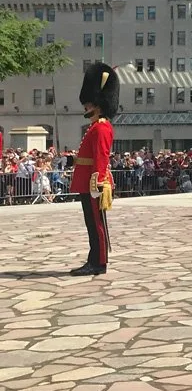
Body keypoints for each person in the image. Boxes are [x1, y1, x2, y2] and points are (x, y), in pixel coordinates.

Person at [70, 62, 119, 276]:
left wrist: (97, 182)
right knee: (91, 224)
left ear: (98, 103)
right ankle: (94, 258)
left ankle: (99, 262)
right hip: (88, 181)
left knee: (96, 224)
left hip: (94, 183)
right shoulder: (96, 126)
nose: (86, 106)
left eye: (89, 102)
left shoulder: (101, 127)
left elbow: (100, 157)